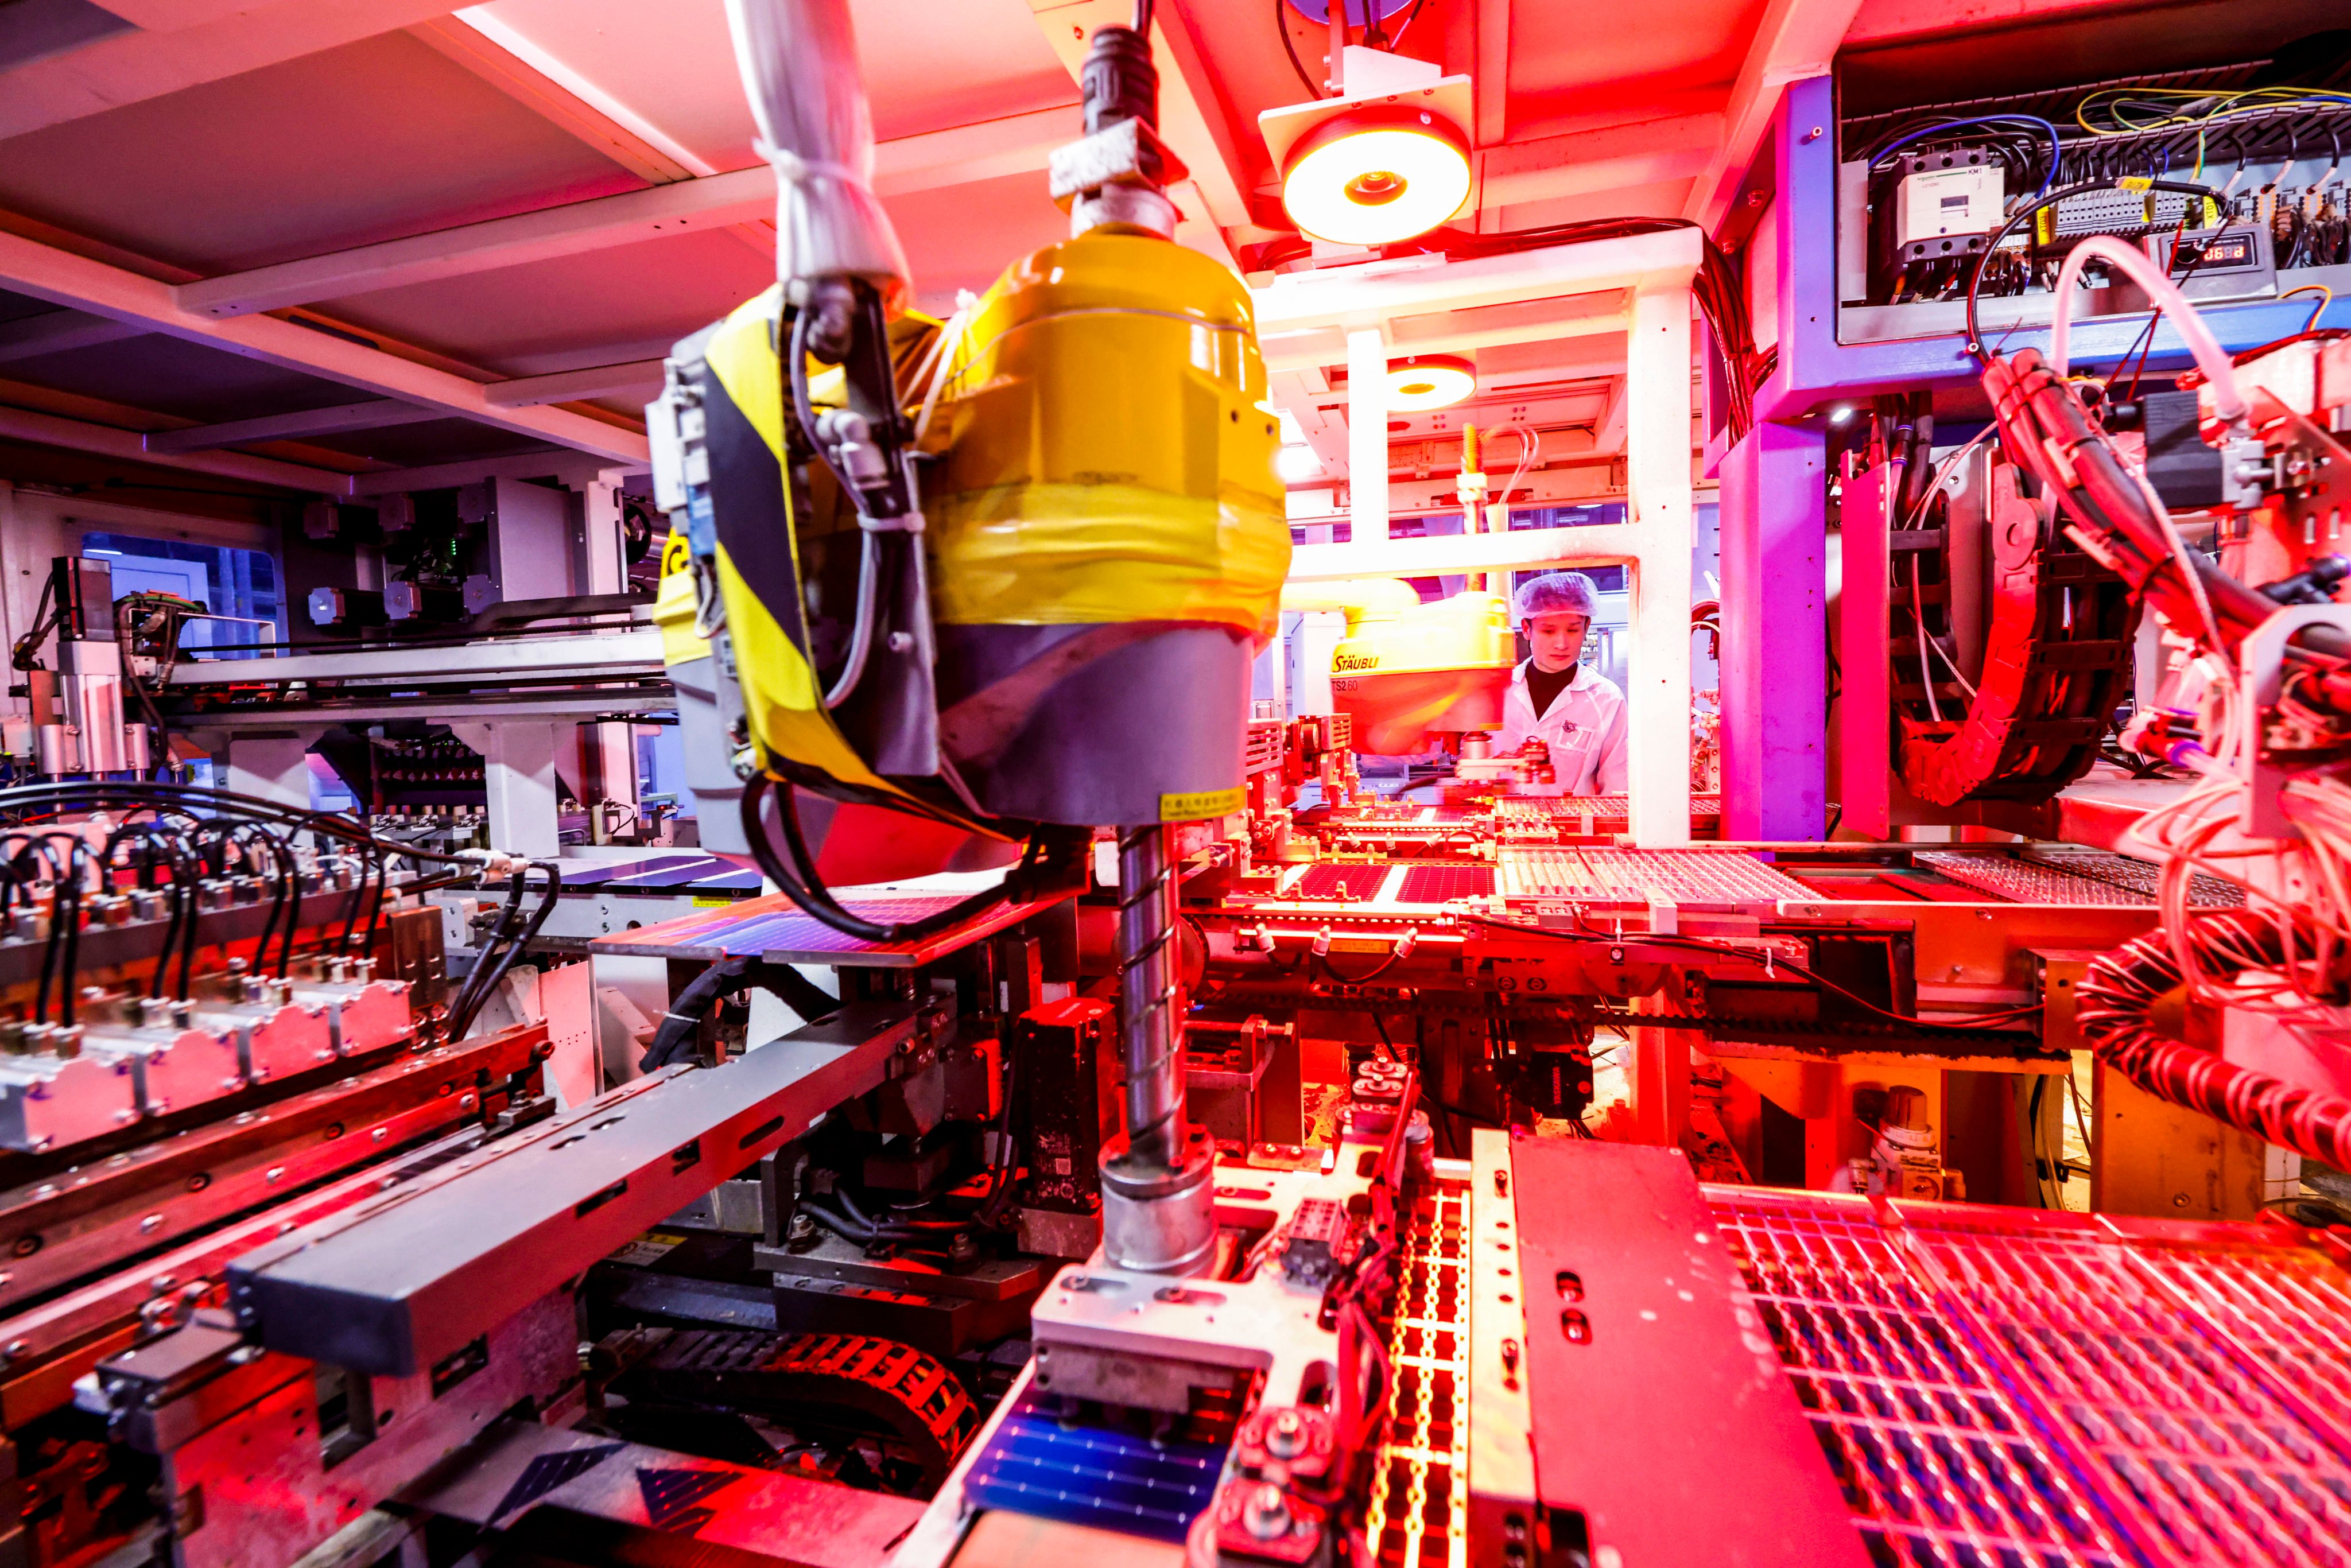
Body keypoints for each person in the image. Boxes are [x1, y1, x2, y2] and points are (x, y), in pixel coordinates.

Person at [1489, 571, 1628, 794]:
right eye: (1548, 630)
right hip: (1497, 824)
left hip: (1574, 826)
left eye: (1572, 630)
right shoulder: (1495, 690)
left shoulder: (1606, 699)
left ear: (1586, 628)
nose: (1562, 644)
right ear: (1527, 629)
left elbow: (1616, 784)